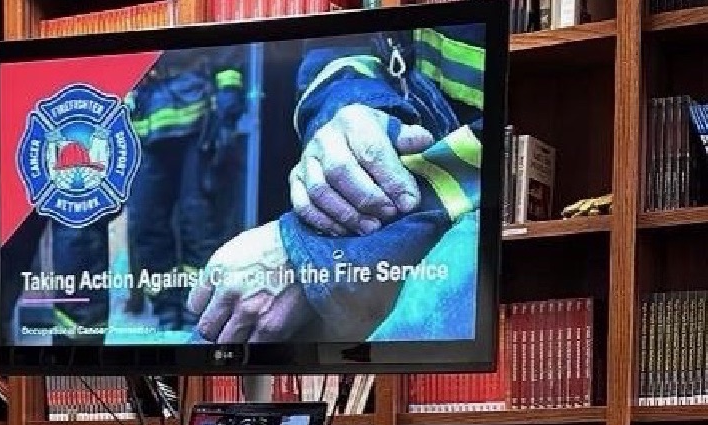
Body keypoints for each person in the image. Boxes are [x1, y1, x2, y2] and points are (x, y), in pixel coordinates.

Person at [186, 26, 486, 344]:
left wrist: (310, 259)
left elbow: (510, 146)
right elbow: (340, 39)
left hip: (477, 233)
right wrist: (348, 114)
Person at [126, 45, 248, 331]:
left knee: (199, 221)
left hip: (198, 120)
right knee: (146, 225)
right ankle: (166, 309)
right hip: (143, 126)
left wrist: (228, 96)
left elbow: (228, 50)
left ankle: (198, 308)